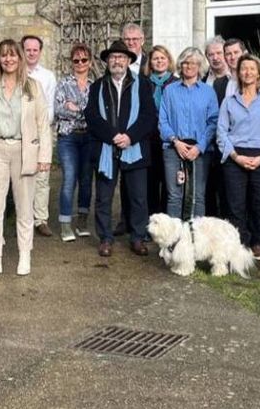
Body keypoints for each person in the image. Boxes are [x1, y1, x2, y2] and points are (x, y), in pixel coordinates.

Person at [0, 39, 52, 278]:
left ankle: (24, 255)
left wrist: (44, 156)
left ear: (20, 58)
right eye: (4, 56)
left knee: (24, 207)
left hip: (23, 151)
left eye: (12, 55)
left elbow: (42, 124)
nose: (8, 60)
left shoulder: (33, 87)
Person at [85, 40, 157, 257]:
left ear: (128, 61)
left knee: (138, 197)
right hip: (106, 148)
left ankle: (137, 238)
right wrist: (113, 135)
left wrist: (130, 137)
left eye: (121, 57)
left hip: (134, 147)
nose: (117, 61)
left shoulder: (142, 84)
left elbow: (149, 116)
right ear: (107, 61)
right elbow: (92, 116)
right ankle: (106, 238)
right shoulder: (97, 86)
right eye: (113, 57)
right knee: (104, 198)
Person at [217, 54, 260, 274]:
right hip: (235, 159)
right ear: (238, 74)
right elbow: (221, 133)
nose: (247, 73)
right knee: (236, 209)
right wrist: (235, 156)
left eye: (251, 69)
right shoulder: (229, 102)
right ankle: (240, 255)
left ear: (259, 74)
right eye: (243, 69)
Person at [158, 47, 217, 221]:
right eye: (185, 62)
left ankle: (195, 239)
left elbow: (213, 122)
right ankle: (173, 240)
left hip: (200, 150)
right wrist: (175, 141)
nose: (189, 66)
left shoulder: (208, 92)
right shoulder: (170, 90)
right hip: (173, 148)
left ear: (199, 66)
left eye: (193, 63)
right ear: (180, 65)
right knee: (174, 196)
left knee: (198, 196)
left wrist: (199, 147)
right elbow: (163, 120)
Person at [53, 43, 94, 242]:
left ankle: (83, 221)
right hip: (68, 137)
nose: (80, 63)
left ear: (90, 62)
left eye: (84, 60)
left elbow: (94, 114)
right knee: (69, 178)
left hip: (88, 137)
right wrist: (81, 110)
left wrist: (74, 108)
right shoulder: (63, 84)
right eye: (76, 60)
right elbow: (58, 110)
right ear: (72, 63)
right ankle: (65, 223)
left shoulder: (95, 86)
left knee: (86, 179)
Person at [205, 37, 246, 220]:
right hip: (210, 144)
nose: (216, 58)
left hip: (235, 144)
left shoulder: (241, 80)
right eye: (210, 54)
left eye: (219, 53)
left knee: (231, 195)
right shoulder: (205, 80)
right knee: (209, 191)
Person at [22, 35, 57, 237]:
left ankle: (40, 219)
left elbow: (51, 105)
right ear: (23, 50)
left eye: (35, 50)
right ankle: (24, 216)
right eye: (28, 50)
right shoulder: (16, 74)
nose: (32, 53)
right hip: (20, 134)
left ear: (40, 52)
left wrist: (41, 125)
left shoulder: (48, 76)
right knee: (24, 175)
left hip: (42, 131)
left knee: (42, 176)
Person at [144, 45, 177, 216]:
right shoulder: (144, 83)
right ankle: (152, 220)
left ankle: (166, 221)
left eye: (162, 58)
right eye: (155, 58)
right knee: (151, 181)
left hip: (170, 139)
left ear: (168, 60)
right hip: (149, 138)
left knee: (168, 181)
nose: (159, 61)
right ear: (150, 62)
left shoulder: (176, 82)